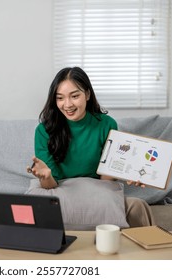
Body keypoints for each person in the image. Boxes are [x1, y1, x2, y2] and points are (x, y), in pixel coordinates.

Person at [27, 66, 155, 227]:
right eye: (60, 98)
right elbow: (51, 186)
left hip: (96, 191)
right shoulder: (44, 130)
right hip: (59, 191)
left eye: (74, 96)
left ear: (87, 94)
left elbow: (106, 179)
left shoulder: (107, 124)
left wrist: (128, 169)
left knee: (138, 206)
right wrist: (45, 177)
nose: (67, 104)